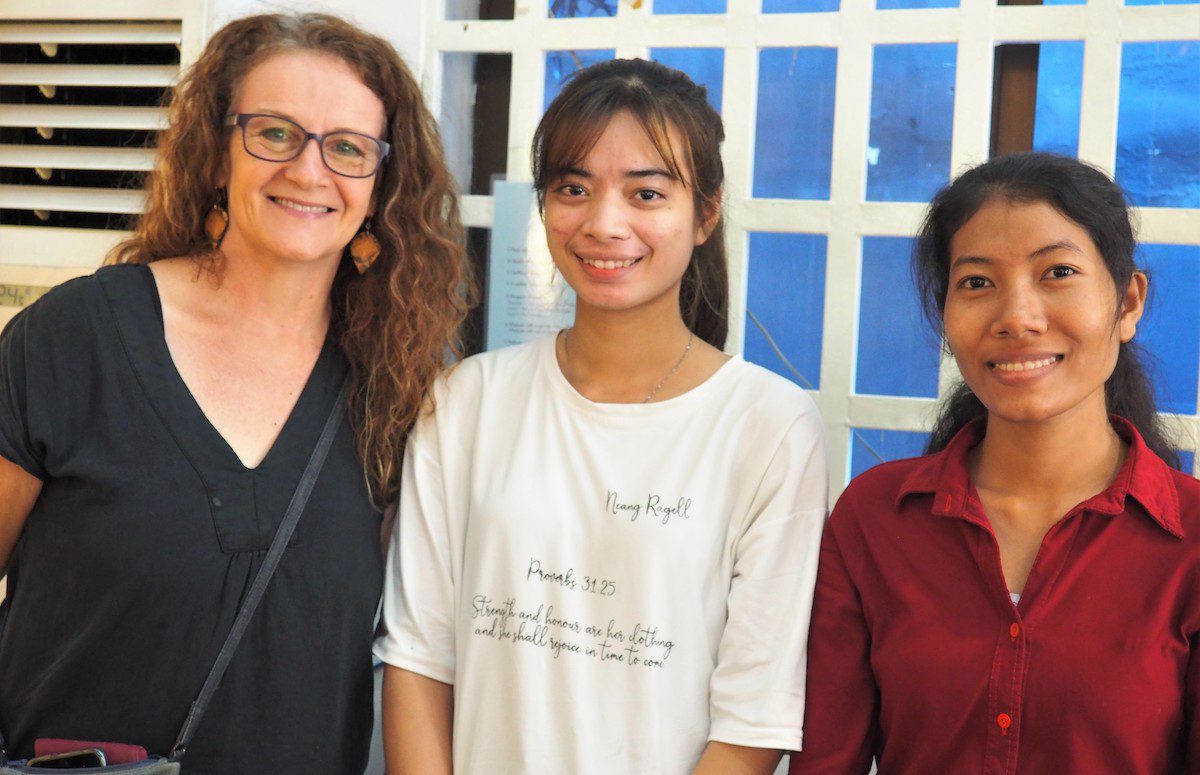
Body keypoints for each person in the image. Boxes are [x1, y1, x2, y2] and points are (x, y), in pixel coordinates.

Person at [0, 13, 471, 772]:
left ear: (381, 186)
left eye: (348, 148)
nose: (309, 171)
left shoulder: (398, 384)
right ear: (217, 153)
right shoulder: (74, 339)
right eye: (275, 133)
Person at [375, 58, 829, 774]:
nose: (604, 223)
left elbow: (754, 715)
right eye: (574, 188)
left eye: (646, 192)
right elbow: (419, 659)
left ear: (706, 213)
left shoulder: (769, 425)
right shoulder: (466, 401)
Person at [790, 152, 1199, 773]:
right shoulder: (874, 519)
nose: (1017, 318)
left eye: (1057, 272)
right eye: (977, 283)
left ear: (1128, 303)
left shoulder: (1189, 541)